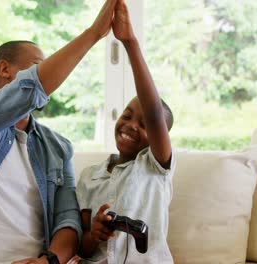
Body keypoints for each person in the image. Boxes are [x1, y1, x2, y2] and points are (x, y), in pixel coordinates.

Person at [0, 1, 120, 264]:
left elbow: (67, 220)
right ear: (4, 69)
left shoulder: (58, 147)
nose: (49, 75)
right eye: (37, 67)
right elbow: (31, 88)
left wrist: (49, 261)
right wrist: (93, 34)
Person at [75, 1, 175, 263]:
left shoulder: (156, 168)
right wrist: (94, 233)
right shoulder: (89, 177)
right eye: (127, 116)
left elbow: (154, 113)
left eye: (144, 125)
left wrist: (130, 43)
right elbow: (82, 248)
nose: (131, 125)